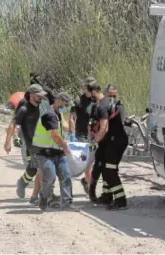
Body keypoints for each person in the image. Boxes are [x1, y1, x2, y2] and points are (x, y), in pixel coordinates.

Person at [32, 92, 80, 211]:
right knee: (50, 178)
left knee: (66, 176)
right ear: (58, 100)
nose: (67, 106)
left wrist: (70, 130)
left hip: (58, 152)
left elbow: (65, 128)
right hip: (45, 153)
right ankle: (43, 196)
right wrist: (65, 146)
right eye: (65, 103)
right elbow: (55, 136)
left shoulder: (58, 114)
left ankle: (67, 203)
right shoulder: (50, 114)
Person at [4, 84, 48, 202]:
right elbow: (13, 124)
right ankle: (36, 194)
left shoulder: (39, 104)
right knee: (38, 169)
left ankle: (25, 185)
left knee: (36, 169)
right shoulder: (24, 108)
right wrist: (8, 142)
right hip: (31, 144)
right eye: (39, 96)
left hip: (42, 141)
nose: (41, 98)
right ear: (32, 95)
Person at [88, 82, 128, 210]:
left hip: (116, 141)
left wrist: (95, 141)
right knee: (106, 169)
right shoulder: (103, 104)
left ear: (93, 92)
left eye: (89, 93)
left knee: (109, 170)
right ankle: (107, 196)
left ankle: (121, 200)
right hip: (112, 141)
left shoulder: (102, 106)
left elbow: (104, 127)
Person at [69, 76, 96, 194]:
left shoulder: (97, 100)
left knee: (93, 163)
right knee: (87, 163)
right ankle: (91, 190)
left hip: (94, 136)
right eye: (87, 86)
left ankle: (86, 181)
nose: (89, 89)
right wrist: (72, 135)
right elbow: (71, 118)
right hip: (82, 135)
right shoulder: (78, 100)